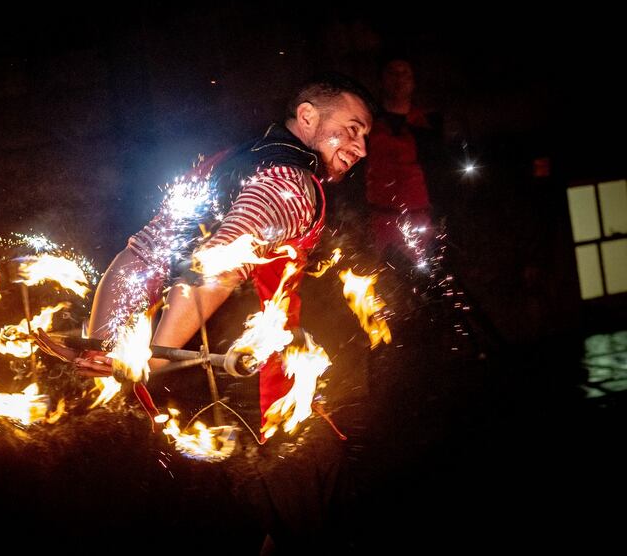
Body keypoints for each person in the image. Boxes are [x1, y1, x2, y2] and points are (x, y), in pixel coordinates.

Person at [36, 72, 376, 431]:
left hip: (184, 405)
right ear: (307, 116)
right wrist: (146, 360)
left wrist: (102, 344)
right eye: (352, 129)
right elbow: (218, 267)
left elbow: (142, 255)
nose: (362, 148)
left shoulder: (222, 161)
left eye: (365, 136)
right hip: (245, 407)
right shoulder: (288, 183)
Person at [364, 57, 443, 263]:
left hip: (421, 220)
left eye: (405, 73)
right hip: (380, 221)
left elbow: (442, 175)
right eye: (392, 72)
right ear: (381, 79)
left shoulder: (428, 125)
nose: (399, 79)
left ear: (413, 81)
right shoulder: (367, 123)